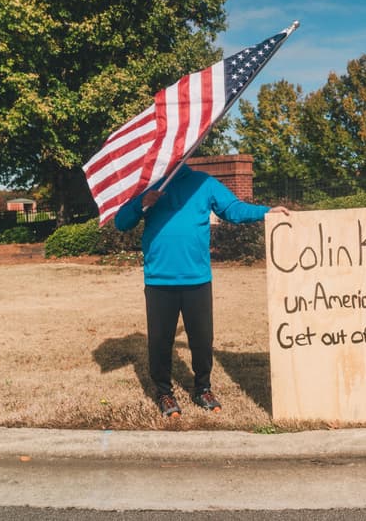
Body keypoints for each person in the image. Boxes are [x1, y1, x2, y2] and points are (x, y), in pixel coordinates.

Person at [114, 165, 289, 418]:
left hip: (197, 278)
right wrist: (142, 202)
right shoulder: (149, 183)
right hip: (159, 279)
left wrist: (266, 212)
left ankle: (202, 388)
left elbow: (232, 209)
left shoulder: (203, 183)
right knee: (160, 341)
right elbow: (121, 223)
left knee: (202, 339)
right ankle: (164, 392)